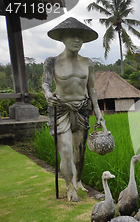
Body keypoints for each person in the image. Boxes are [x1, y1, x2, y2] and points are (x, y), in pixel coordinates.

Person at [42, 17, 105, 202]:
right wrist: (47, 95)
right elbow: (45, 84)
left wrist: (99, 113)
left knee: (80, 152)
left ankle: (78, 181)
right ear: (62, 38)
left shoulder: (88, 63)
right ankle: (70, 188)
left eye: (80, 37)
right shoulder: (51, 61)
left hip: (82, 109)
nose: (76, 40)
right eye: (72, 36)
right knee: (66, 151)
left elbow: (91, 89)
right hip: (60, 109)